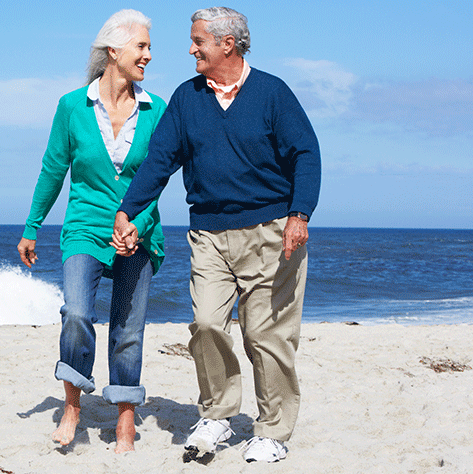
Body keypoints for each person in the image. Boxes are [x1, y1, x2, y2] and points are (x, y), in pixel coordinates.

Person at [113, 6, 321, 463]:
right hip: (208, 233)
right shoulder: (187, 99)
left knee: (266, 334)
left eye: (198, 41)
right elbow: (159, 161)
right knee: (206, 324)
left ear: (228, 44)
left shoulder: (272, 93)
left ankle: (272, 429)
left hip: (270, 231)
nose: (191, 49)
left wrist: (299, 214)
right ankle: (219, 413)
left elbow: (305, 153)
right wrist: (128, 210)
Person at [17, 9, 167, 454]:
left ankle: (124, 420)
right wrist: (31, 227)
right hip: (84, 228)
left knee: (128, 329)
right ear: (112, 51)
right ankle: (73, 404)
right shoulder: (71, 106)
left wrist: (137, 225)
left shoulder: (156, 109)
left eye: (148, 47)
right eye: (141, 46)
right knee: (78, 312)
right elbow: (53, 170)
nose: (148, 55)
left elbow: (155, 180)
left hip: (138, 234)